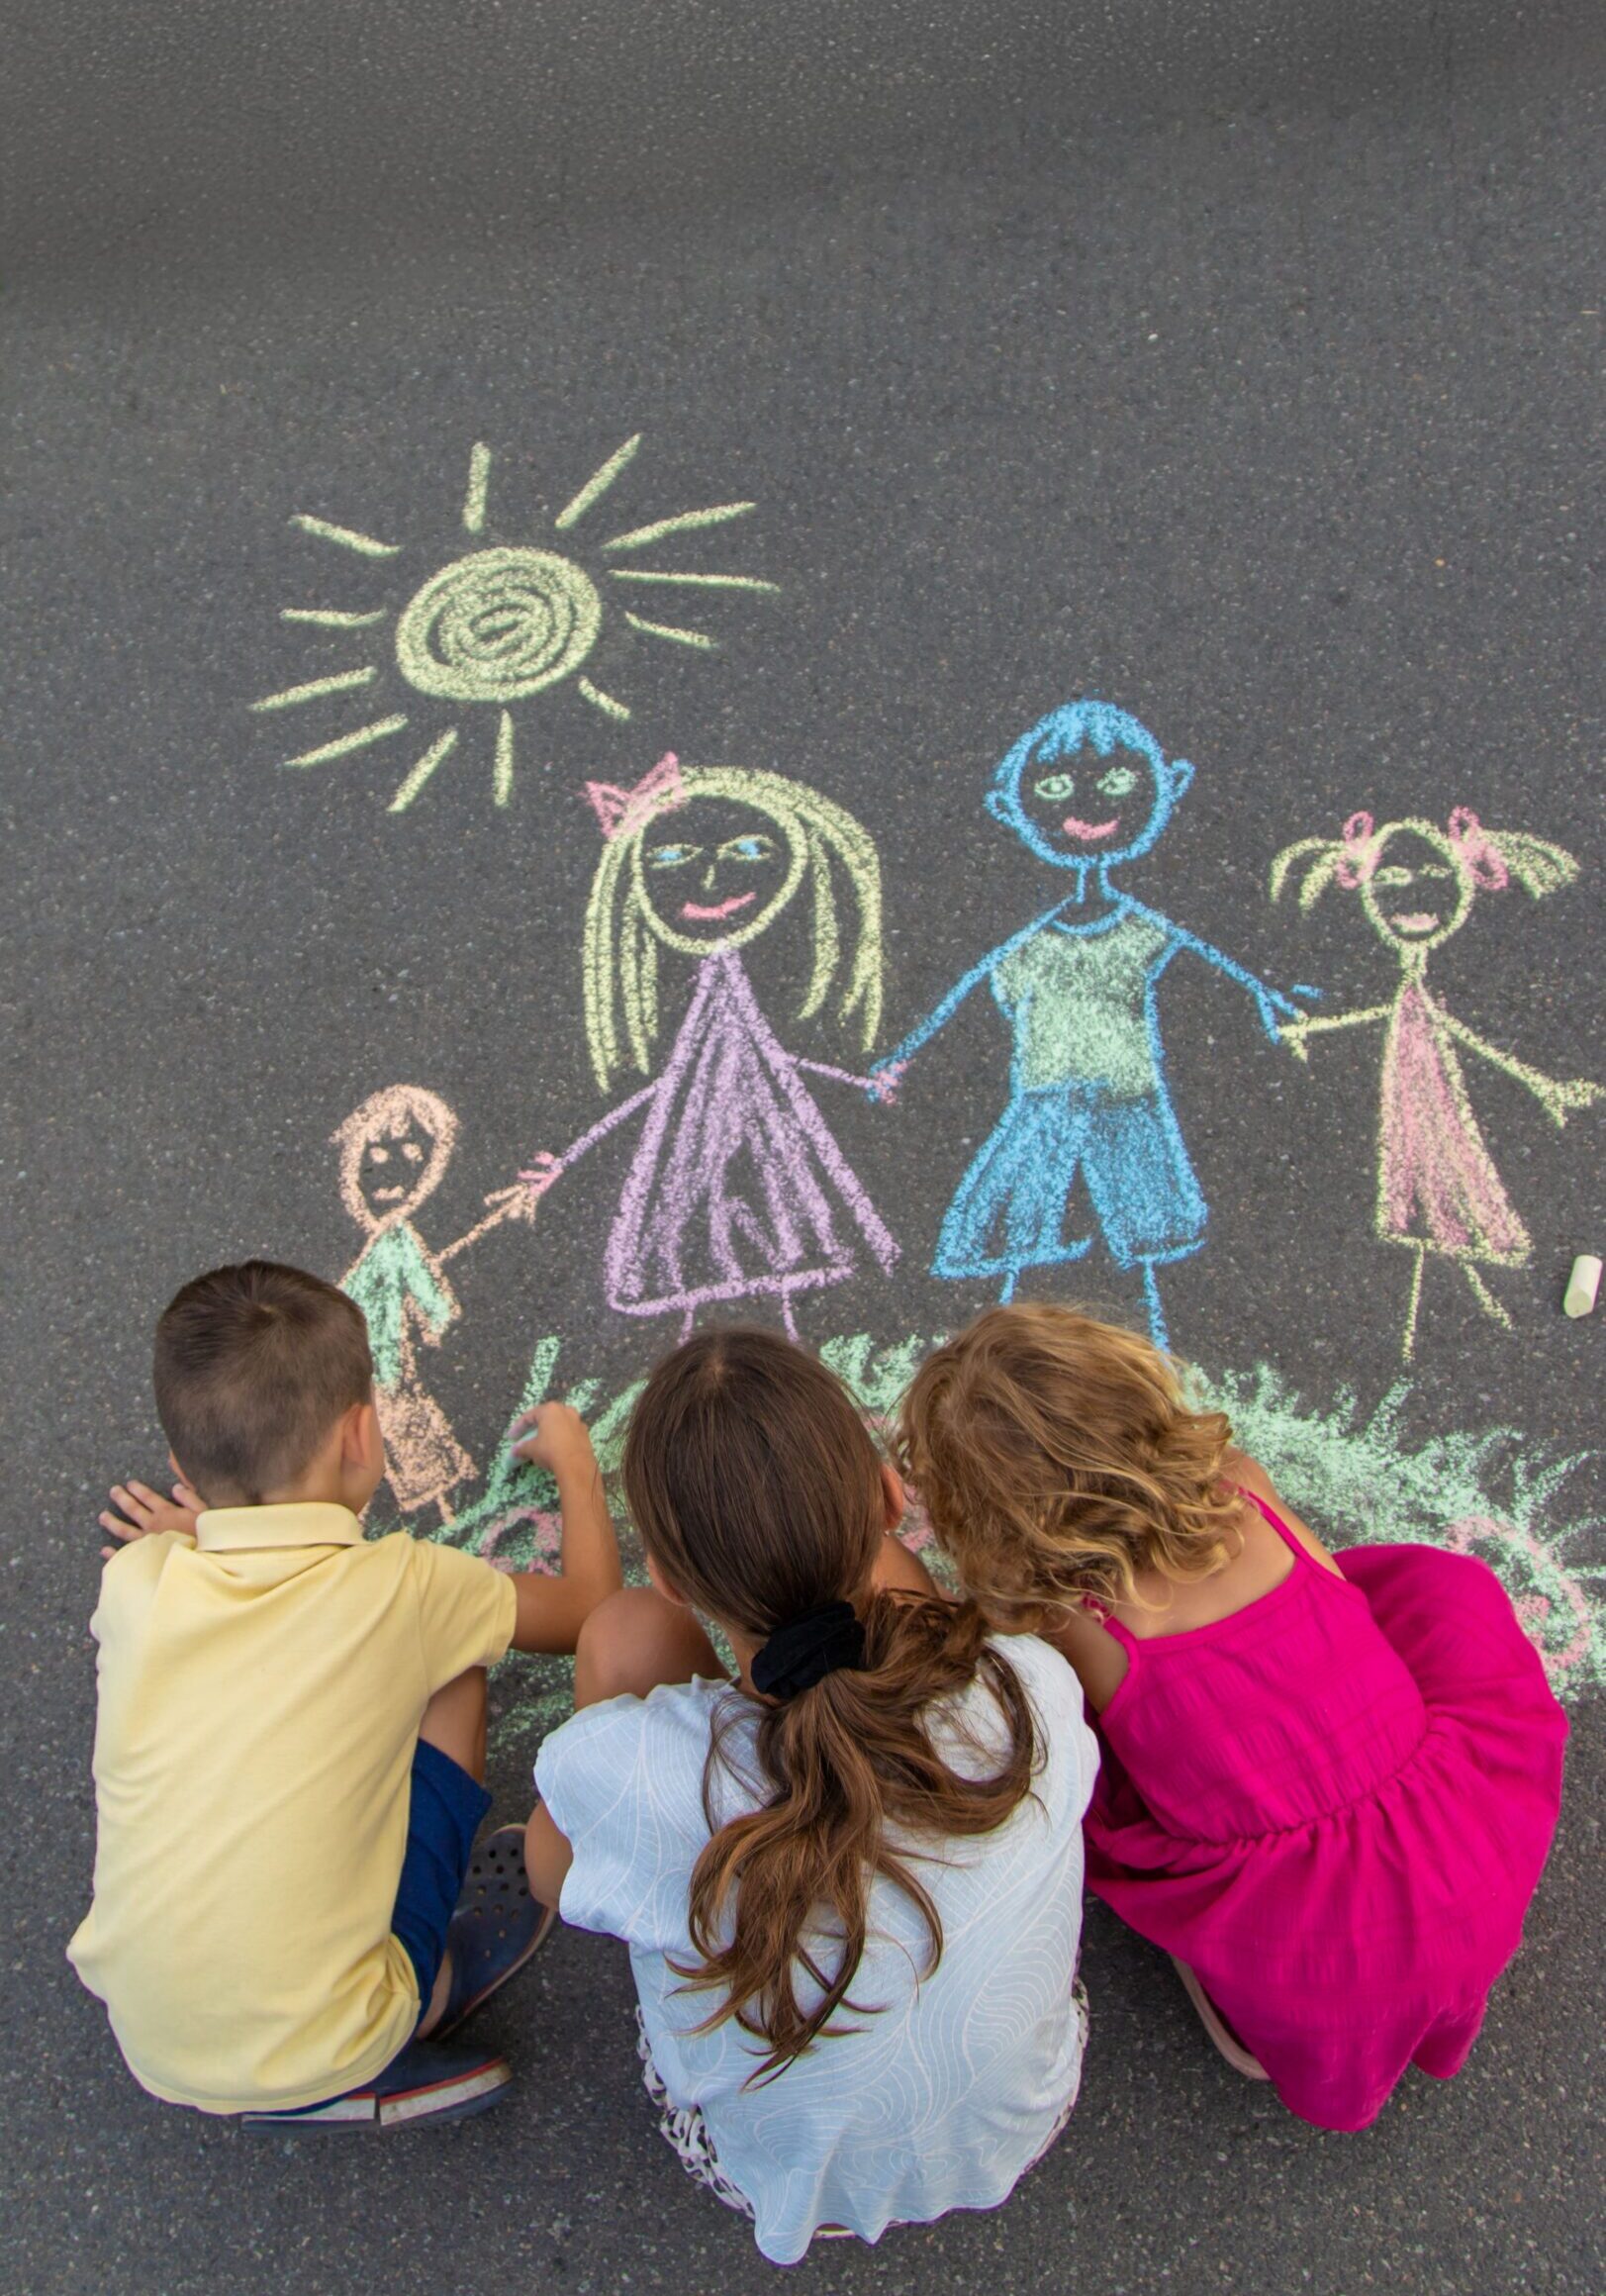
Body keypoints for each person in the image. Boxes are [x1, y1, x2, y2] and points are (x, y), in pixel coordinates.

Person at [898, 1302, 1567, 2132]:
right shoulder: (1242, 1487)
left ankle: (1251, 2024)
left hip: (1314, 1944)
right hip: (1460, 1853)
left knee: (1056, 1748)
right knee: (1429, 1603)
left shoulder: (1073, 1620)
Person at [522, 1328, 1095, 2263]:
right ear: (888, 1496)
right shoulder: (1026, 1685)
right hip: (1024, 2114)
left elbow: (551, 1880)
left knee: (624, 1637)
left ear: (672, 1577)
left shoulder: (636, 1779)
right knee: (894, 1606)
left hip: (771, 2175)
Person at [70, 1259, 621, 2128]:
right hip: (339, 2034)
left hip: (151, 2038)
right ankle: (416, 2009)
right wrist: (577, 1470)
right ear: (363, 1437)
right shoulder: (410, 1589)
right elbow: (589, 1609)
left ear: (183, 1461)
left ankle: (325, 2051)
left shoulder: (139, 1582)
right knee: (455, 1666)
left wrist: (200, 1536)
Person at [869, 700, 1307, 1348]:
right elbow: (958, 1001)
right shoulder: (1026, 943)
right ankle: (1027, 1369)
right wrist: (905, 1056)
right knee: (1033, 1239)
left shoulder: (1140, 928)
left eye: (1118, 784)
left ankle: (1137, 1366)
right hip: (1046, 1105)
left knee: (1132, 1245)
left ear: (1168, 786)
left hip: (1127, 1104)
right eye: (1050, 788)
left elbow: (1216, 967)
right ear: (1007, 806)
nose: (1088, 805)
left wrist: (1269, 1000)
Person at [514, 753, 898, 1341]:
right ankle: (737, 1388)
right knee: (716, 1260)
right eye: (670, 858)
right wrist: (566, 1161)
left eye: (748, 852)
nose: (711, 881)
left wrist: (861, 1083)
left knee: (756, 1260)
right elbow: (673, 1086)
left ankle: (723, 1391)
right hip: (703, 1148)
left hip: (750, 1140)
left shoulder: (729, 1000)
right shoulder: (708, 1010)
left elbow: (765, 1062)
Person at [1272, 808, 1600, 1358]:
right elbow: (1401, 1019)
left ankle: (1461, 1308)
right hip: (1416, 1096)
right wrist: (1318, 1027)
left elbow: (1451, 1033)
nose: (1414, 897)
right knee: (1434, 1201)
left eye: (1434, 880)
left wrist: (1543, 1084)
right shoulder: (1411, 983)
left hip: (1430, 1099)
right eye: (1393, 882)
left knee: (1445, 1194)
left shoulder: (1425, 984)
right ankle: (1460, 1308)